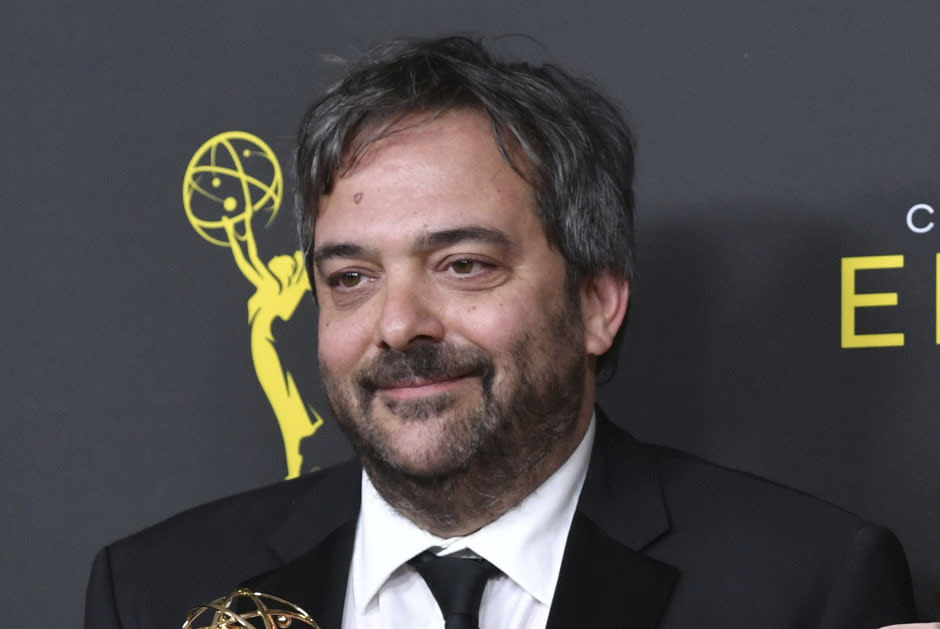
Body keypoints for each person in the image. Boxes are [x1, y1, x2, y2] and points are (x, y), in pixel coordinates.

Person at [84, 36, 917, 629]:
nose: (399, 324)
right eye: (351, 279)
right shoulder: (159, 591)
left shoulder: (805, 587)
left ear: (597, 300)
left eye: (464, 265)